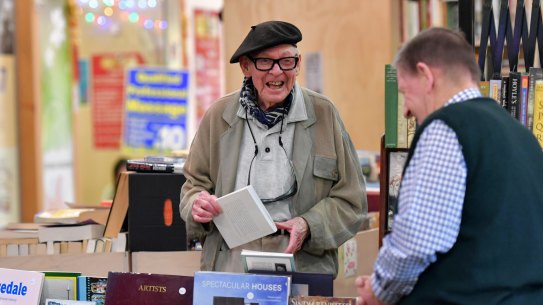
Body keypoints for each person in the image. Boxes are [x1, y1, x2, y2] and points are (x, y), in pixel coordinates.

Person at [356, 27, 543, 305]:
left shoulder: (445, 128)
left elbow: (417, 242)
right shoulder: (523, 136)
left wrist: (379, 289)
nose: (406, 110)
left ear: (426, 75)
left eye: (405, 93)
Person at [180, 20, 367, 275]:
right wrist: (196, 205)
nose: (277, 72)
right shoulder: (219, 116)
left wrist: (307, 225)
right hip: (230, 270)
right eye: (265, 62)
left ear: (298, 64)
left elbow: (352, 200)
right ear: (246, 66)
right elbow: (193, 186)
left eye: (287, 61)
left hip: (302, 269)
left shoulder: (324, 115)